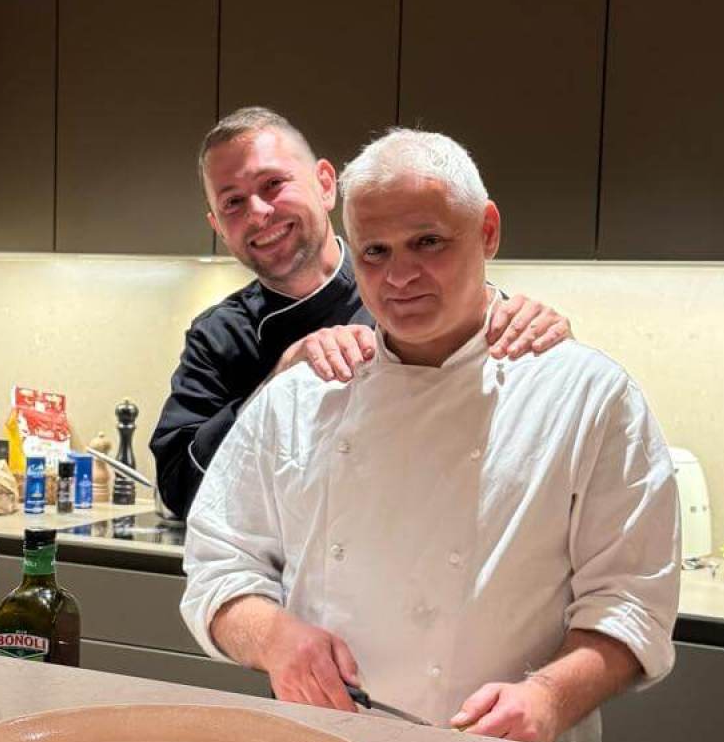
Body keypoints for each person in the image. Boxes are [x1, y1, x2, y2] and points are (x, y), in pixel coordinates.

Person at [180, 129, 679, 742]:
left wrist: (550, 696)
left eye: (428, 243)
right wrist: (274, 638)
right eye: (375, 252)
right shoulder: (300, 394)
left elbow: (632, 602)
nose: (400, 277)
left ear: (488, 231)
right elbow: (218, 571)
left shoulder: (588, 396)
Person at [149, 107, 573, 519]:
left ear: (326, 184)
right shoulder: (218, 335)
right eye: (233, 203)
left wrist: (541, 339)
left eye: (274, 183)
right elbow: (179, 492)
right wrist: (279, 381)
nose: (258, 212)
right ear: (218, 226)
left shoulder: (412, 297)